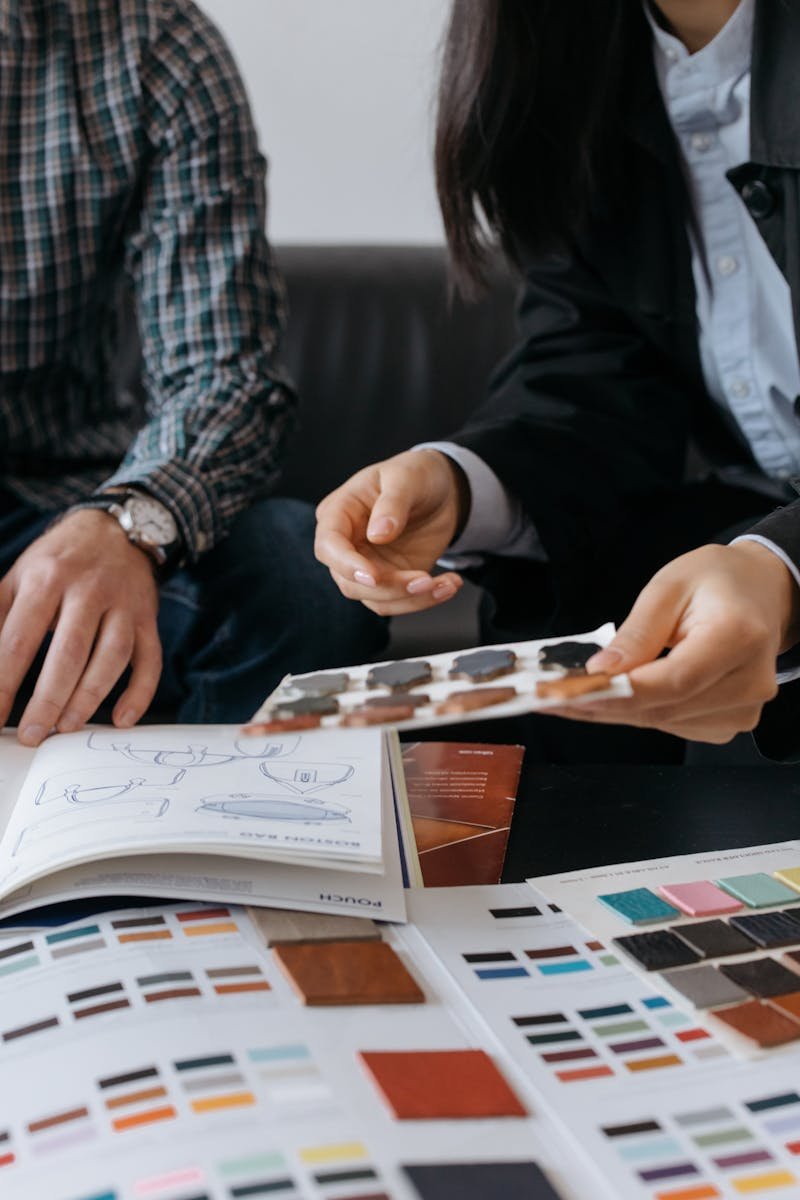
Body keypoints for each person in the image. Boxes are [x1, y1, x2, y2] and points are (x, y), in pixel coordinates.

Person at [315, 0, 800, 762]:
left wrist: (783, 568)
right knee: (565, 631)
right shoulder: (570, 66)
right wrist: (465, 484)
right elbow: (593, 370)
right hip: (752, 521)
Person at [0, 0, 381, 746]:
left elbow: (225, 372)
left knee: (302, 585)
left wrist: (125, 525)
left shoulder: (152, 43)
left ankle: (189, 841)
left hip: (68, 498)